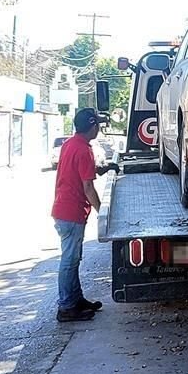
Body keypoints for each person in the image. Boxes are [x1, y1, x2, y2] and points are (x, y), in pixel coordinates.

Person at [51, 108, 119, 322]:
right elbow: (88, 187)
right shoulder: (84, 150)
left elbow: (81, 171)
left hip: (64, 210)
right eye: (97, 124)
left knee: (73, 259)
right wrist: (103, 213)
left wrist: (104, 168)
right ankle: (66, 307)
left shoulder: (71, 144)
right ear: (93, 126)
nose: (99, 128)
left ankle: (75, 300)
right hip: (71, 213)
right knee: (69, 261)